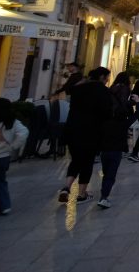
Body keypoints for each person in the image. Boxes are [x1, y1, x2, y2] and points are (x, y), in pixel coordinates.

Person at [59, 67, 112, 204]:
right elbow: (107, 113)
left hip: (72, 128)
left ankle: (66, 187)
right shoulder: (103, 91)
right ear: (102, 77)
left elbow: (70, 95)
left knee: (76, 159)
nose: (107, 80)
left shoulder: (78, 89)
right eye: (107, 77)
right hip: (91, 130)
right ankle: (82, 193)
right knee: (87, 161)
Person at [97, 73, 136, 209]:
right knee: (111, 169)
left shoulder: (112, 88)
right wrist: (135, 103)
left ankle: (104, 193)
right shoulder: (125, 89)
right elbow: (125, 104)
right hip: (119, 121)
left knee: (107, 169)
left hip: (108, 123)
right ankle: (104, 196)